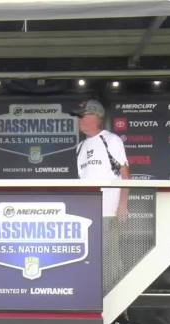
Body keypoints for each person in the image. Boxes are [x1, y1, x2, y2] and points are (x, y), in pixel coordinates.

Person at [72, 99, 130, 281]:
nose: (79, 120)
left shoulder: (111, 140)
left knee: (110, 254)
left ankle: (116, 294)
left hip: (108, 210)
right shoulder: (80, 147)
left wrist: (122, 205)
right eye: (78, 117)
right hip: (88, 212)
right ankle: (97, 292)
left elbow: (125, 174)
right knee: (92, 255)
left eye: (82, 116)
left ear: (96, 117)